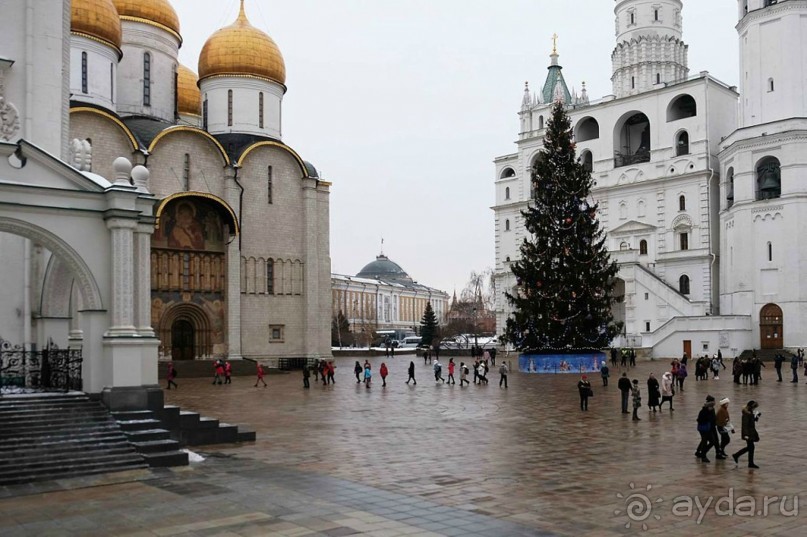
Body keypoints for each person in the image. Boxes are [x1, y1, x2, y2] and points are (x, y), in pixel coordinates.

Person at [732, 400, 760, 469]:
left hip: (751, 432)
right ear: (750, 407)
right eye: (754, 408)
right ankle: (738, 456)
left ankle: (739, 456)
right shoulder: (746, 414)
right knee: (751, 447)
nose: (754, 409)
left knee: (750, 447)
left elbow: (752, 420)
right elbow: (745, 425)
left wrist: (756, 417)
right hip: (748, 434)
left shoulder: (750, 412)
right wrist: (746, 435)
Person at [695, 395, 717, 462]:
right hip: (703, 429)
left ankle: (701, 453)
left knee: (712, 441)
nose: (712, 408)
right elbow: (699, 420)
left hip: (708, 428)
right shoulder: (703, 412)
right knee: (705, 441)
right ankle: (703, 456)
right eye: (711, 407)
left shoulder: (710, 411)